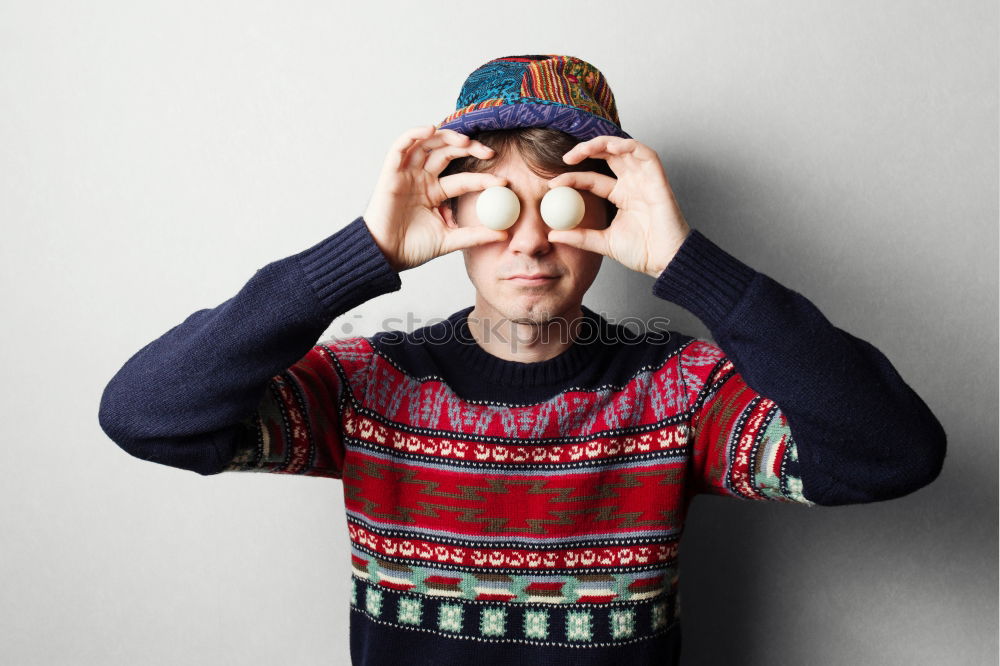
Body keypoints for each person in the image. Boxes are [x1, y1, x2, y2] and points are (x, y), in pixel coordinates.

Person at [98, 54, 947, 665]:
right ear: (450, 214)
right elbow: (148, 414)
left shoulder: (678, 393)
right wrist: (361, 252)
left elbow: (890, 453)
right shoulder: (370, 386)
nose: (532, 240)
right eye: (498, 203)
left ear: (611, 222)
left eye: (563, 203)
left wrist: (692, 263)